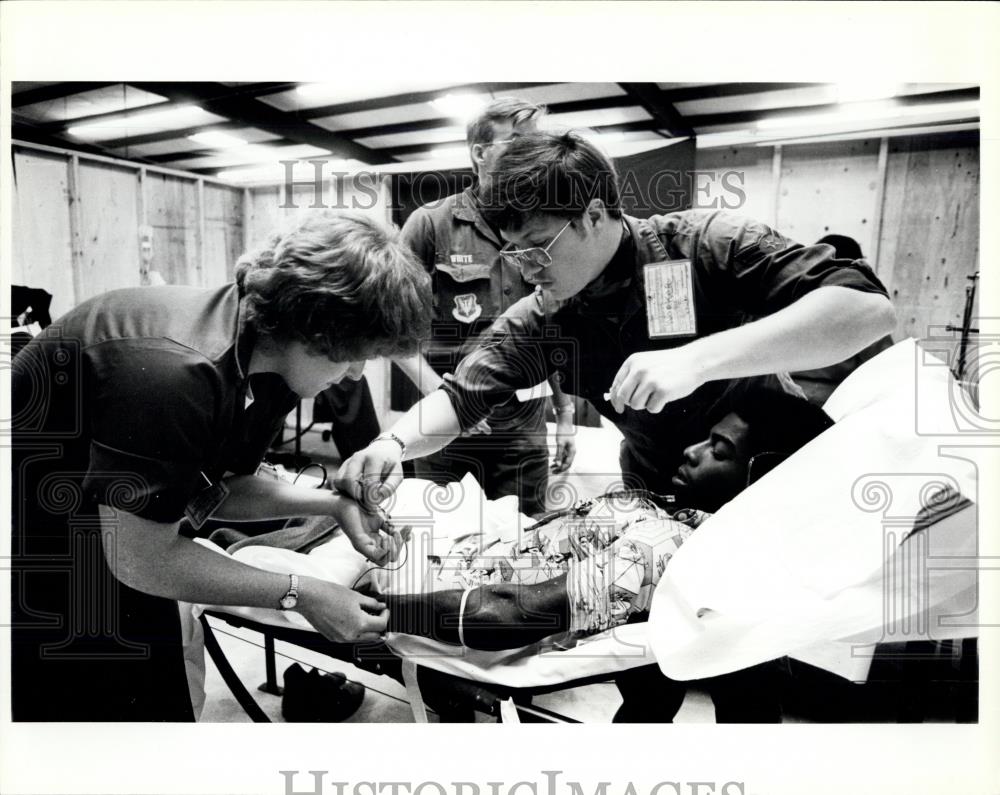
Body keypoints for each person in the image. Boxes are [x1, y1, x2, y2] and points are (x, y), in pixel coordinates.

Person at [335, 130, 896, 720]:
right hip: (653, 489)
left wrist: (696, 360)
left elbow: (865, 308)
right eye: (513, 253)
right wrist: (392, 441)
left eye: (535, 249)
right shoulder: (546, 316)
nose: (525, 272)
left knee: (741, 673)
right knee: (648, 669)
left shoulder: (705, 245)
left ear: (593, 214)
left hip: (751, 487)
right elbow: (463, 394)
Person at [10, 209, 431, 721]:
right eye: (355, 356)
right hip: (46, 547)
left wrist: (334, 504)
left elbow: (218, 487)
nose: (354, 376)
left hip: (119, 530)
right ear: (317, 332)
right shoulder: (175, 374)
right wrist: (299, 593)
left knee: (158, 694)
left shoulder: (268, 360)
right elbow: (141, 560)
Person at [379, 388, 834, 657]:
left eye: (719, 451)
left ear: (760, 478)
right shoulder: (674, 514)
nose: (692, 451)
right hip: (475, 548)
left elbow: (505, 614)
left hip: (433, 587)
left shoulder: (664, 546)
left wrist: (382, 610)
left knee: (345, 517)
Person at [394, 98, 576, 517]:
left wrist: (564, 413)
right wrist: (442, 396)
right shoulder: (430, 225)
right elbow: (392, 331)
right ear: (480, 153)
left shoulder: (545, 226)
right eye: (518, 143)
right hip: (448, 423)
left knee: (527, 540)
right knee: (439, 541)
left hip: (524, 425)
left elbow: (556, 323)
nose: (533, 155)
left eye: (537, 144)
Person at [790, 234, 895, 404]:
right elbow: (886, 365)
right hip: (832, 402)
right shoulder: (862, 308)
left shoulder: (788, 296)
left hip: (781, 396)